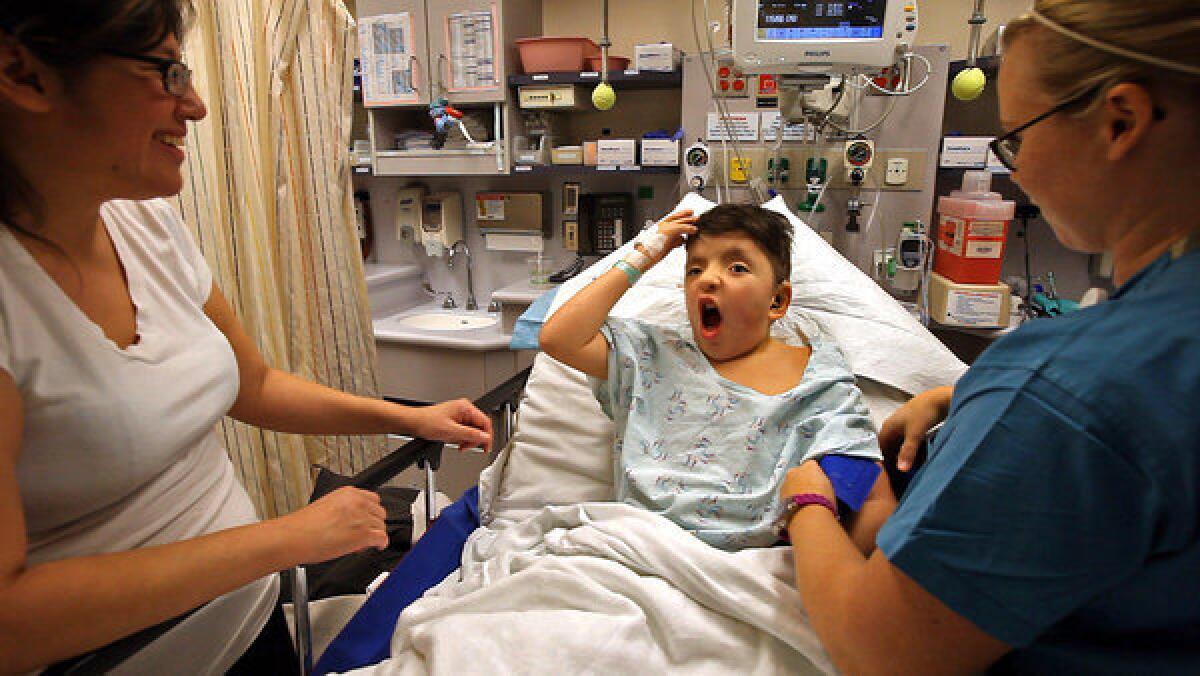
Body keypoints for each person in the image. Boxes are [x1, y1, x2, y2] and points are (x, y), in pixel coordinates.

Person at [0, 2, 493, 673]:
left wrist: (409, 415)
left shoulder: (146, 227)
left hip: (248, 624)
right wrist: (285, 538)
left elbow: (254, 385)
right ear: (22, 74)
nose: (197, 106)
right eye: (167, 74)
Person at [778, 1, 1200, 673]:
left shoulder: (1065, 389)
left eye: (1018, 138)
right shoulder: (1131, 353)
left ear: (1120, 121)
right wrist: (962, 395)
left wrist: (804, 500)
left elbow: (880, 649)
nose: (1016, 168)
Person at [541, 204, 894, 551]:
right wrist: (645, 254)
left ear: (778, 301)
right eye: (694, 270)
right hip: (637, 545)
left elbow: (865, 490)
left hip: (758, 567)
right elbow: (558, 338)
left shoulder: (818, 379)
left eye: (737, 267)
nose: (708, 278)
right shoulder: (650, 354)